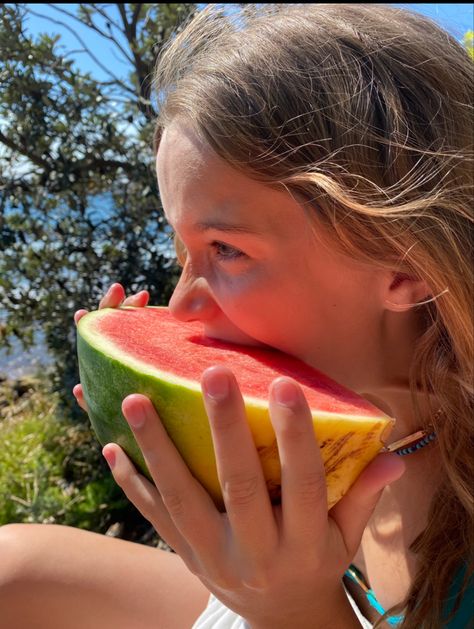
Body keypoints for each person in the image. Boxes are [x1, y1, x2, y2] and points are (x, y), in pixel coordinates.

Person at [0, 4, 472, 628]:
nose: (183, 307)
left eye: (226, 249)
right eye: (183, 247)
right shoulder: (330, 429)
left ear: (405, 268)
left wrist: (294, 610)